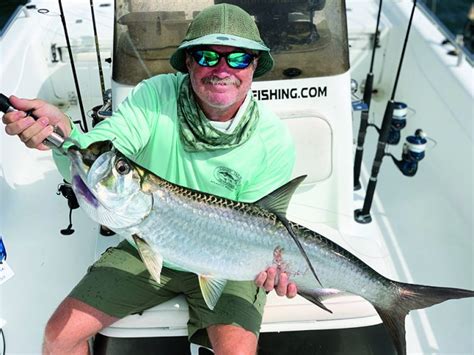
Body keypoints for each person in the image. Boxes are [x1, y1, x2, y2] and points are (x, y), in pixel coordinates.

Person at [2, 4, 297, 355]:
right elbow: (104, 153)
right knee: (59, 336)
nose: (222, 69)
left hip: (228, 260)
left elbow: (265, 227)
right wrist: (64, 133)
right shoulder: (156, 97)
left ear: (253, 67)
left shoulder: (274, 141)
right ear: (188, 62)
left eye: (238, 59)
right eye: (206, 56)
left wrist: (273, 269)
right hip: (147, 244)